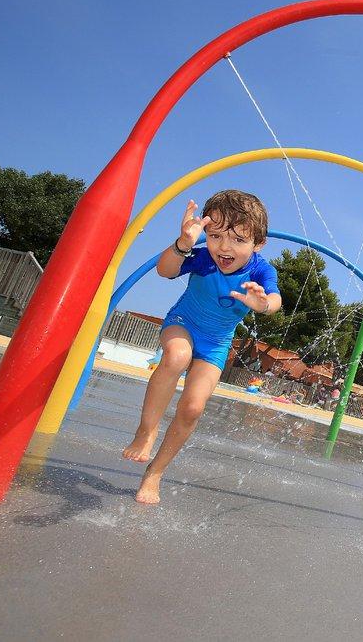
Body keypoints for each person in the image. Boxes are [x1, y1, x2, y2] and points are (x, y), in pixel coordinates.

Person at [122, 191, 282, 504]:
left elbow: (274, 301)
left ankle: (155, 473)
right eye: (215, 235)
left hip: (216, 344)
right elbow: (165, 270)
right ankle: (145, 431)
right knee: (177, 356)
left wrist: (262, 304)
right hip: (183, 323)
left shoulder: (262, 271)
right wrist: (183, 243)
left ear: (258, 243)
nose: (224, 247)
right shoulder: (203, 257)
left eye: (238, 239)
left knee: (193, 408)